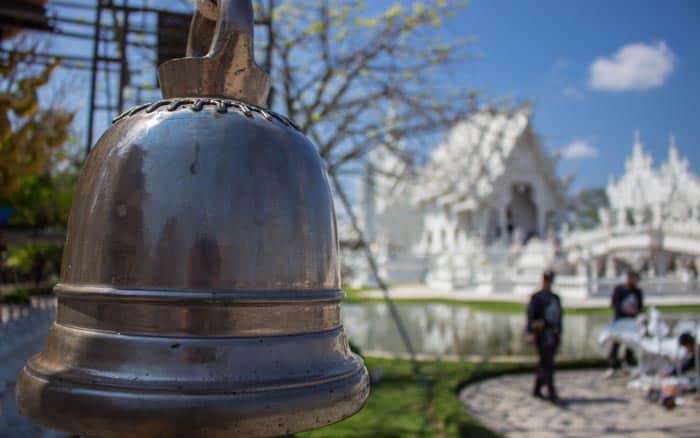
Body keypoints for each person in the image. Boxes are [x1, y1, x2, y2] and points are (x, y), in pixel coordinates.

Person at [526, 270, 564, 405]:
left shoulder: (555, 298)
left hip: (552, 334)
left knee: (545, 362)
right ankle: (551, 392)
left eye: (550, 279)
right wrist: (530, 332)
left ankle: (537, 389)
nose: (548, 282)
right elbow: (530, 316)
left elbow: (559, 318)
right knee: (547, 363)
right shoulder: (536, 297)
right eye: (547, 279)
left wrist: (559, 333)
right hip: (541, 334)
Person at [606, 270, 644, 377]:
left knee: (630, 344)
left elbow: (640, 306)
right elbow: (614, 304)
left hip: (631, 321)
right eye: (634, 279)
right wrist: (625, 310)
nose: (636, 282)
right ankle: (612, 366)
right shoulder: (619, 290)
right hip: (619, 320)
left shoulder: (637, 292)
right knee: (616, 343)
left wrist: (637, 313)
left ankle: (627, 364)